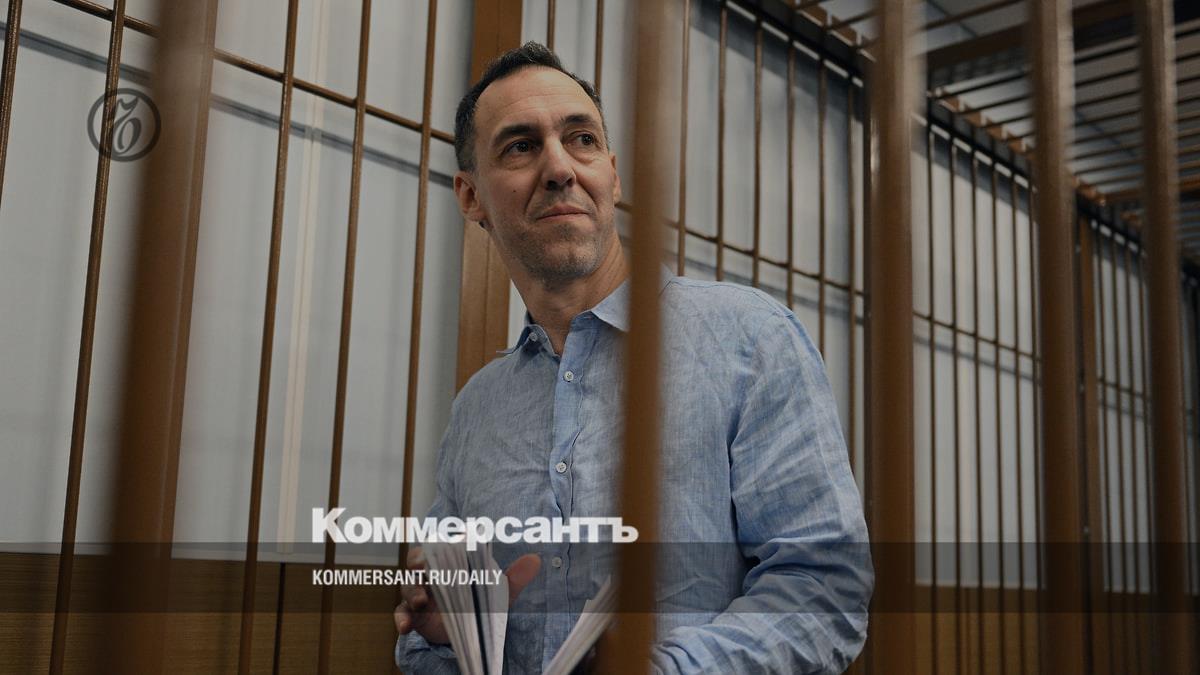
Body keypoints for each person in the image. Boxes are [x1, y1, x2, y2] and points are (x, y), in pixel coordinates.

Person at [394, 42, 872, 674]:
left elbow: (824, 589)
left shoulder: (749, 339)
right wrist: (445, 633)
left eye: (582, 140)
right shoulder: (476, 410)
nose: (560, 168)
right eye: (521, 146)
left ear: (612, 176)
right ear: (469, 196)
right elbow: (425, 628)